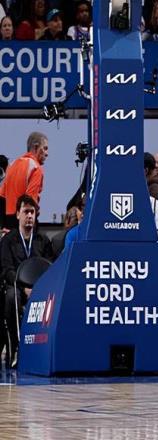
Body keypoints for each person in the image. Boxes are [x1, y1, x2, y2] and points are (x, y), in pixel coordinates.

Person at [0, 195, 53, 367]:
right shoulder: (8, 241)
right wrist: (24, 289)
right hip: (17, 288)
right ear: (17, 214)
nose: (29, 216)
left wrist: (38, 289)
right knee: (11, 296)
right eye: (26, 212)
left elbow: (51, 268)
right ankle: (16, 347)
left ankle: (47, 349)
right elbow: (7, 270)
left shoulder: (43, 241)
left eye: (32, 212)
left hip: (40, 290)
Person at [0, 132, 49, 230]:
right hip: (24, 221)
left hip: (8, 222)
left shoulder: (12, 165)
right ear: (36, 147)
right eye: (45, 148)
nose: (47, 153)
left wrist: (3, 225)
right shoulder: (36, 168)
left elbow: (2, 196)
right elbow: (30, 200)